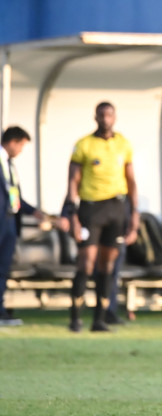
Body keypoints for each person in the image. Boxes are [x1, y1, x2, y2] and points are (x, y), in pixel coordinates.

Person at [60, 102, 140, 333]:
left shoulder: (123, 144)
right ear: (95, 117)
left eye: (109, 114)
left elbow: (132, 181)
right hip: (90, 209)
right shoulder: (84, 144)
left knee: (107, 265)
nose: (105, 118)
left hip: (116, 208)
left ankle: (100, 320)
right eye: (102, 114)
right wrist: (72, 214)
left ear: (114, 117)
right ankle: (75, 318)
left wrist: (134, 214)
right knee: (86, 263)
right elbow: (73, 182)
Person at [1, 126, 46, 326]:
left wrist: (34, 212)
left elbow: (14, 195)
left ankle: (1, 310)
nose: (20, 151)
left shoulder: (10, 165)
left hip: (10, 222)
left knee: (3, 268)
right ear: (13, 142)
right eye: (21, 146)